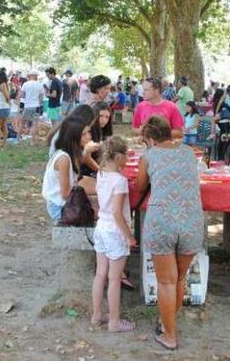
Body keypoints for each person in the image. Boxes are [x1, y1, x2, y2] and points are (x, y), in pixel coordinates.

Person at [133, 116, 204, 350]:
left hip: (162, 221)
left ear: (150, 139)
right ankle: (165, 321)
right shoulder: (188, 153)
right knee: (179, 278)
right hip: (192, 221)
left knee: (165, 281)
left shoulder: (149, 156)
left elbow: (140, 186)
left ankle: (169, 335)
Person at [90, 136, 136, 333]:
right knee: (115, 278)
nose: (128, 159)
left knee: (100, 274)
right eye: (126, 156)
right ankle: (114, 321)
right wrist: (129, 236)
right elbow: (118, 213)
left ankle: (97, 315)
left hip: (101, 227)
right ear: (118, 157)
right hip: (115, 232)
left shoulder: (101, 174)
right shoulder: (120, 181)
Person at [42, 116, 91, 221]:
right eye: (84, 134)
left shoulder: (70, 153)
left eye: (88, 132)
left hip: (63, 203)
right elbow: (65, 194)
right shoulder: (64, 158)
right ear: (73, 137)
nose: (89, 137)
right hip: (59, 208)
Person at [77, 102, 114, 196]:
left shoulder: (103, 133)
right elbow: (86, 158)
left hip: (95, 170)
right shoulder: (88, 132)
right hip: (84, 173)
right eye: (101, 116)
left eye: (107, 117)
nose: (104, 120)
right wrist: (102, 171)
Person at [18, 70, 44, 144]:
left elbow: (22, 96)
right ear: (35, 76)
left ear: (30, 76)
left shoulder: (25, 84)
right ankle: (32, 141)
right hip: (36, 106)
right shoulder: (39, 85)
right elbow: (41, 98)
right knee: (34, 124)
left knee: (22, 123)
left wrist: (21, 106)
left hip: (27, 106)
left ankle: (18, 138)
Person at [0, 69, 12, 147]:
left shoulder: (2, 85)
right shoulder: (1, 85)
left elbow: (7, 97)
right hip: (2, 107)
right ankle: (3, 143)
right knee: (3, 126)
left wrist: (8, 104)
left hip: (2, 108)